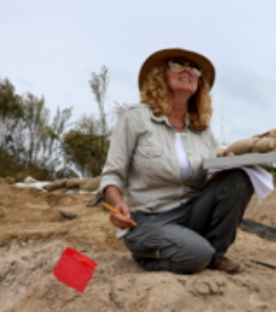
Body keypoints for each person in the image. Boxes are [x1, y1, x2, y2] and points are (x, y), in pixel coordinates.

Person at [99, 48, 254, 274]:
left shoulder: (203, 131)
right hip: (148, 220)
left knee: (238, 178)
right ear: (160, 75)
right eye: (177, 64)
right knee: (196, 255)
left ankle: (215, 254)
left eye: (194, 68)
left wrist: (223, 172)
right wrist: (117, 204)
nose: (186, 70)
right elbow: (112, 174)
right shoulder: (134, 117)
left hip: (191, 214)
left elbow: (206, 183)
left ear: (199, 83)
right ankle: (150, 256)